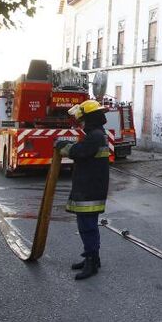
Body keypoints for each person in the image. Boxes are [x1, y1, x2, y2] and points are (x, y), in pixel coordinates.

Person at [55, 99, 110, 280]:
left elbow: (80, 152)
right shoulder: (97, 134)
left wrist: (63, 146)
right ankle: (93, 257)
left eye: (82, 119)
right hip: (92, 185)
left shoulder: (95, 135)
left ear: (88, 117)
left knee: (87, 226)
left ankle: (91, 263)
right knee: (89, 225)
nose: (81, 122)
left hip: (90, 188)